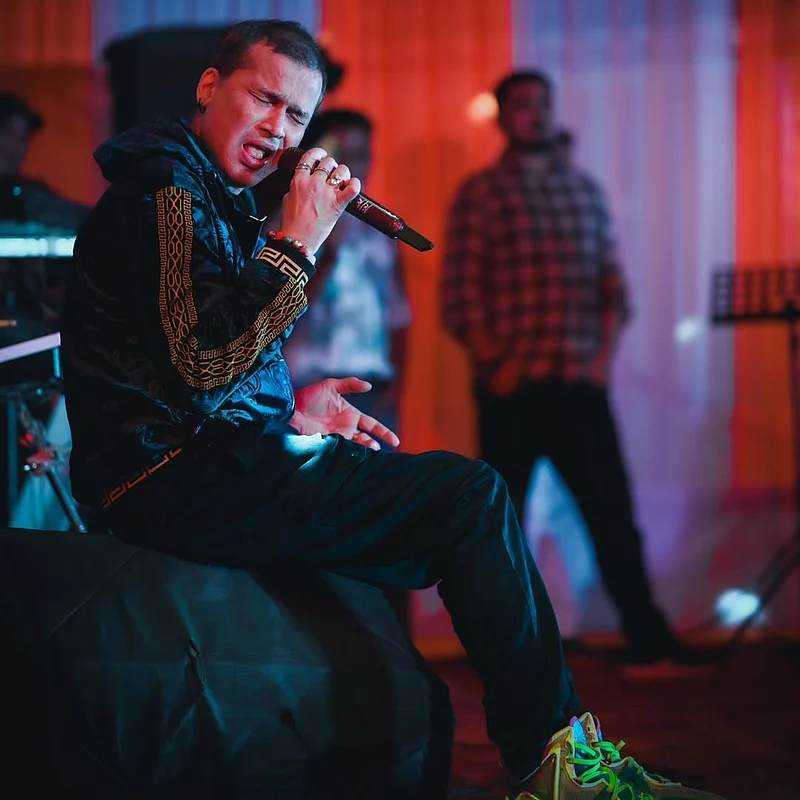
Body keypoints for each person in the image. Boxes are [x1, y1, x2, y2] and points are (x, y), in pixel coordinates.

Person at [60, 21, 724, 799]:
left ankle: (545, 757)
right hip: (164, 479)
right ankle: (556, 769)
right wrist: (298, 242)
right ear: (210, 88)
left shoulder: (203, 193)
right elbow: (204, 368)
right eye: (264, 99)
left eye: (297, 115)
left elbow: (189, 362)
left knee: (457, 509)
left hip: (201, 462)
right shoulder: (165, 195)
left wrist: (287, 410)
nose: (278, 128)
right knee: (468, 498)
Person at [441, 70, 702, 681]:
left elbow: (612, 284)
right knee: (500, 526)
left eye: (543, 104)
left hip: (579, 383)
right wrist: (495, 364)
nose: (535, 114)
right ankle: (503, 655)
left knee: (613, 517)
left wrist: (601, 361)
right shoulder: (483, 193)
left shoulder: (584, 189)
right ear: (502, 117)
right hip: (512, 390)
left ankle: (648, 643)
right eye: (522, 105)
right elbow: (461, 293)